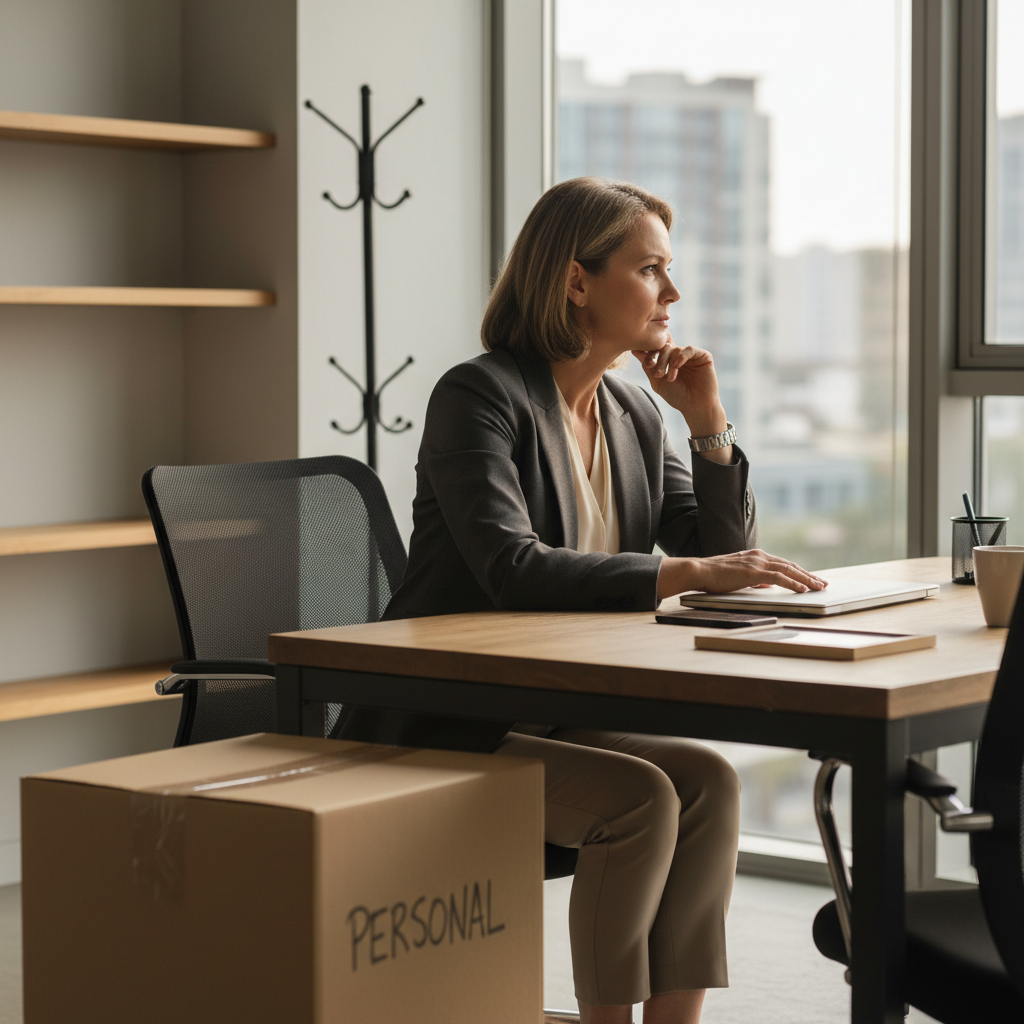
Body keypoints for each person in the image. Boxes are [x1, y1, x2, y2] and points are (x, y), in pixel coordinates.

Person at [378, 178, 825, 1024]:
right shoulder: (479, 397)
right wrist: (685, 579)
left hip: (549, 705)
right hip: (449, 713)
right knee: (643, 800)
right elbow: (512, 566)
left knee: (709, 782)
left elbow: (703, 540)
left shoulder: (630, 411)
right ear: (576, 281)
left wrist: (706, 422)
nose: (673, 293)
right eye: (651, 269)